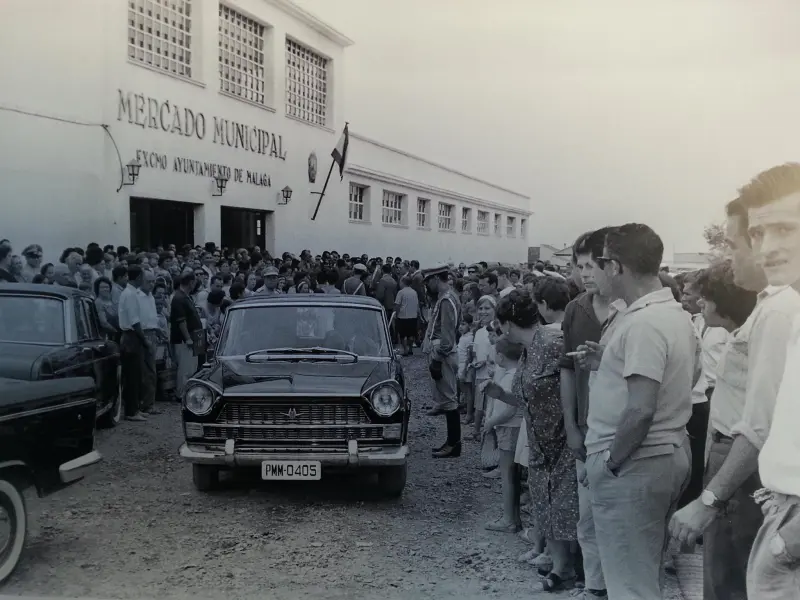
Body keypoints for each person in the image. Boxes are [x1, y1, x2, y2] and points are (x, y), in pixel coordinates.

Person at [669, 166, 800, 599]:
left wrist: (710, 500)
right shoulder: (780, 304)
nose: (767, 249)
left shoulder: (782, 310)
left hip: (759, 485)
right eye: (759, 234)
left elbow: (759, 422)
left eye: (785, 228)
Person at [582, 224, 696, 600]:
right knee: (642, 574)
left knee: (630, 584)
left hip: (636, 462)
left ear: (616, 266)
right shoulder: (672, 313)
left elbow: (641, 410)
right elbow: (685, 375)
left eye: (602, 262)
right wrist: (611, 362)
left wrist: (610, 462)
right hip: (665, 454)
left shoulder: (645, 322)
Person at [491, 286, 579, 592]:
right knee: (544, 504)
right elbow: (525, 397)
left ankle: (572, 568)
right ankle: (560, 568)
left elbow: (579, 380)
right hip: (540, 442)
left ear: (507, 324)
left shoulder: (554, 342)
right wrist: (500, 394)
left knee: (567, 505)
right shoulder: (529, 351)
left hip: (563, 439)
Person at [559, 228, 613, 600]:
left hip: (623, 432)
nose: (585, 273)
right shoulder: (575, 309)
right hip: (586, 428)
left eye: (592, 265)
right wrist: (570, 426)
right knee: (587, 516)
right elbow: (566, 369)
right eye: (580, 266)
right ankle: (594, 586)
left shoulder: (631, 311)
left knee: (620, 521)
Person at [481, 334, 525, 533]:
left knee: (507, 475)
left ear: (501, 356)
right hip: (514, 428)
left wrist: (491, 422)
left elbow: (510, 408)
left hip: (509, 427)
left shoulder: (509, 377)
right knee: (513, 476)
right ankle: (514, 517)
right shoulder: (517, 373)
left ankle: (508, 519)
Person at [423, 266, 462, 458]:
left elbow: (447, 335)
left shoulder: (447, 299)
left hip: (443, 353)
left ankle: (454, 444)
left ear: (437, 278)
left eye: (428, 281)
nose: (427, 285)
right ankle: (451, 442)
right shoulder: (448, 296)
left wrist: (437, 359)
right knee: (448, 399)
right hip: (443, 351)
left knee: (449, 401)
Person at [117, 265, 151, 422]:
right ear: (138, 278)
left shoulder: (130, 293)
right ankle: (131, 411)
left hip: (131, 336)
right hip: (131, 337)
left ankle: (135, 408)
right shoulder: (129, 294)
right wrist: (144, 339)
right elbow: (134, 321)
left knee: (137, 374)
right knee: (132, 375)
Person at [171, 271, 203, 398]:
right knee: (185, 369)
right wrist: (188, 338)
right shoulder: (179, 298)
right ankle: (182, 394)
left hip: (192, 338)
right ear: (191, 283)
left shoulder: (185, 296)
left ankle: (187, 393)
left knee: (191, 368)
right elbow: (181, 321)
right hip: (184, 340)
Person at [471, 295, 497, 440]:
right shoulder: (479, 331)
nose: (483, 311)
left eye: (487, 308)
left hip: (491, 375)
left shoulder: (495, 329)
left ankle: (489, 433)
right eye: (480, 308)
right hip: (480, 374)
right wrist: (474, 360)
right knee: (479, 404)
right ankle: (477, 431)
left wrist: (486, 362)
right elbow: (477, 350)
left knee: (490, 406)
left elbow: (496, 352)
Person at [456, 314, 476, 423]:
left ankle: (469, 415)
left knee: (468, 392)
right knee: (463, 390)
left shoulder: (469, 338)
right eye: (460, 324)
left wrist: (464, 371)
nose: (460, 326)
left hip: (466, 367)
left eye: (463, 324)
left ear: (469, 325)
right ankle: (465, 408)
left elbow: (469, 356)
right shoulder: (463, 337)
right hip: (460, 366)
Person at [394, 275, 420, 356]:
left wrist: (396, 313)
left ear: (403, 282)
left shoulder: (401, 292)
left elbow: (397, 304)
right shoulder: (414, 292)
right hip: (413, 315)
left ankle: (405, 349)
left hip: (403, 316)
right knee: (411, 334)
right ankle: (410, 349)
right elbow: (417, 304)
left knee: (402, 334)